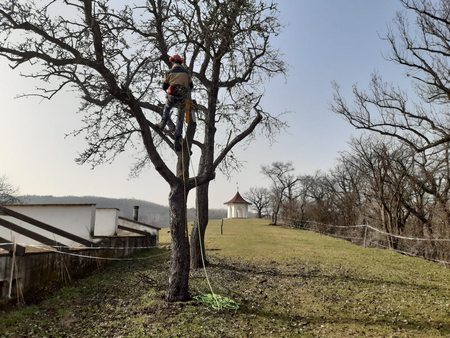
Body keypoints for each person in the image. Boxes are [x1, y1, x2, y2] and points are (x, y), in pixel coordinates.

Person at [158, 54, 193, 151]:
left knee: (167, 107)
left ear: (172, 61)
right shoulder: (186, 73)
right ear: (181, 62)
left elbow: (164, 87)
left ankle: (163, 123)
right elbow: (191, 86)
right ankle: (178, 138)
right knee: (180, 118)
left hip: (172, 96)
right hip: (182, 98)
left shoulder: (169, 72)